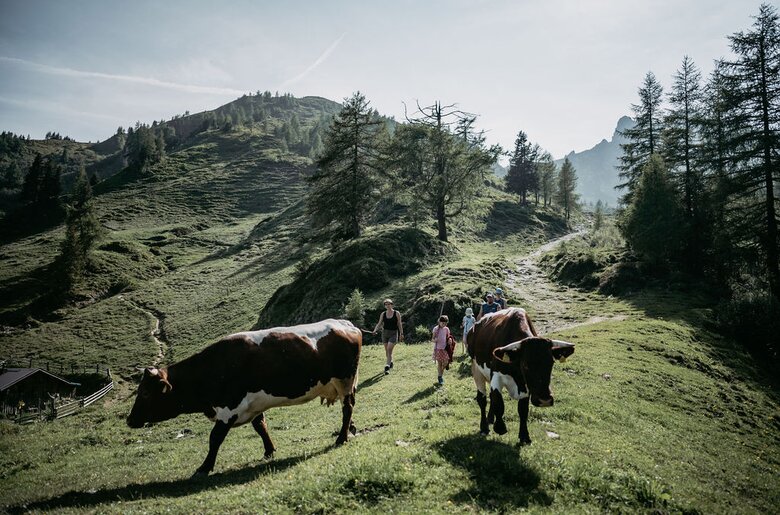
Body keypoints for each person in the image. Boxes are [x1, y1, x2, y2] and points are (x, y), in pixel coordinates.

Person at [373, 299, 403, 374]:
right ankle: (390, 362)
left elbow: (399, 324)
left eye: (389, 304)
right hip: (385, 333)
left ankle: (387, 367)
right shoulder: (383, 314)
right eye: (386, 304)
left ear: (392, 304)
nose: (387, 305)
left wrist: (401, 333)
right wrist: (375, 330)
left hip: (393, 333)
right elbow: (379, 323)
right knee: (387, 351)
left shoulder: (396, 313)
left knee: (389, 349)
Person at [432, 315, 451, 385]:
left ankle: (441, 373)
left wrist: (449, 339)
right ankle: (440, 377)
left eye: (445, 323)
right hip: (438, 349)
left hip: (445, 348)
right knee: (439, 364)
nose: (444, 325)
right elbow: (432, 339)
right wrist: (435, 340)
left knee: (445, 362)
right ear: (439, 322)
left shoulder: (447, 329)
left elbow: (449, 337)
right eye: (443, 323)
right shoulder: (436, 329)